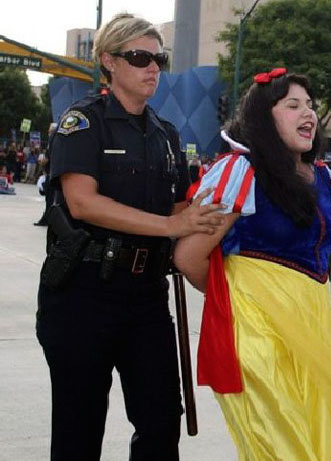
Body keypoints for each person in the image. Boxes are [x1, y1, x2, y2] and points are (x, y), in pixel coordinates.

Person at [174, 69, 331, 461]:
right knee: (282, 447)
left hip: (316, 332)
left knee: (322, 445)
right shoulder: (241, 172)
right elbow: (189, 257)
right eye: (292, 105)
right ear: (264, 116)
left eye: (310, 105)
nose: (307, 113)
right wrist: (244, 297)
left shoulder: (325, 178)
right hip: (258, 337)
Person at [36, 13, 225, 461]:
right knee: (78, 431)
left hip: (146, 297)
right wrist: (170, 226)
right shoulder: (83, 122)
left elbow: (177, 208)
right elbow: (82, 202)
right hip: (83, 295)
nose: (153, 67)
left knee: (162, 424)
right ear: (109, 61)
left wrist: (224, 205)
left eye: (158, 57)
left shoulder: (166, 133)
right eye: (140, 56)